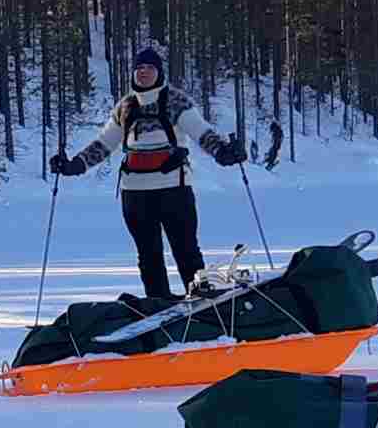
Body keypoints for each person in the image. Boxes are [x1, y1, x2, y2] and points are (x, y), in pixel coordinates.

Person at [48, 46, 246, 303]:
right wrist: (74, 165)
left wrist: (223, 152)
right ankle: (158, 303)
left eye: (150, 68)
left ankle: (201, 300)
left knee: (185, 248)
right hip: (135, 194)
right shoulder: (126, 107)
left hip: (174, 189)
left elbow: (201, 131)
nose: (143, 72)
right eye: (139, 68)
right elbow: (104, 144)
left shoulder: (176, 101)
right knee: (148, 254)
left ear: (159, 72)